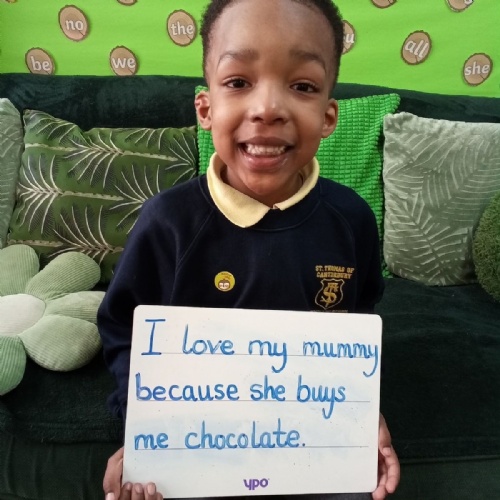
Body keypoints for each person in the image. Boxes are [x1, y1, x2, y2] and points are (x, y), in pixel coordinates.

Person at [98, 0, 401, 499]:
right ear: (205, 108)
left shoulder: (351, 220)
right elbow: (124, 331)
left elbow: (358, 321)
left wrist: (362, 414)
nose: (267, 108)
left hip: (310, 451)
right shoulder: (167, 222)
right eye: (238, 82)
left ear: (328, 116)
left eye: (302, 86)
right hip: (195, 450)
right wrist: (142, 432)